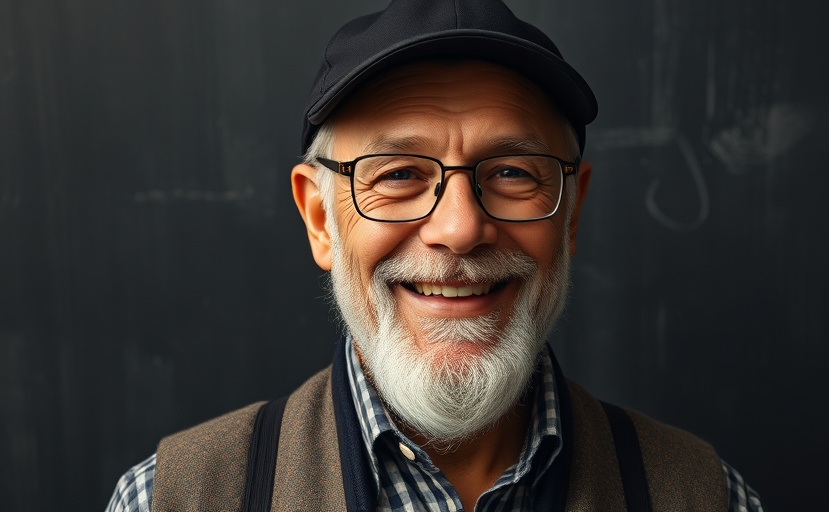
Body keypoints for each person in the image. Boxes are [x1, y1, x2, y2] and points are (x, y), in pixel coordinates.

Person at [107, 0, 764, 510]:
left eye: (512, 172)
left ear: (571, 213)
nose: (459, 227)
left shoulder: (706, 498)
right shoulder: (169, 500)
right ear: (319, 219)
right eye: (396, 175)